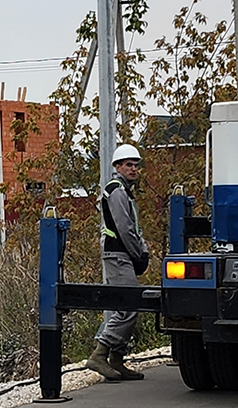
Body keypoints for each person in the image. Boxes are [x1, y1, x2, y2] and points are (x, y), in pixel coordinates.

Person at [86, 144, 150, 381]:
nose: (134, 169)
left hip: (122, 254)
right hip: (118, 255)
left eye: (136, 165)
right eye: (128, 165)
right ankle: (100, 354)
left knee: (127, 305)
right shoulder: (117, 191)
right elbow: (124, 228)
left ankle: (116, 359)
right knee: (128, 305)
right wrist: (138, 254)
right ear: (117, 167)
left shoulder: (123, 190)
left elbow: (132, 226)